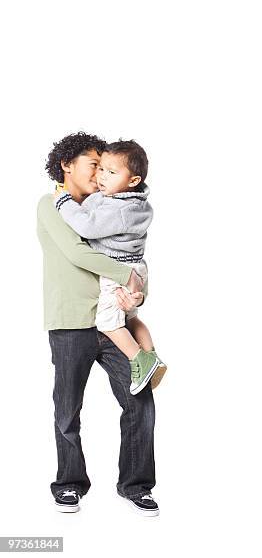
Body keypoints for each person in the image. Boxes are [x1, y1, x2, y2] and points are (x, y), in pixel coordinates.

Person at [37, 132, 160, 516]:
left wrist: (136, 293)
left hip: (113, 321)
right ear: (67, 166)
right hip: (71, 320)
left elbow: (131, 257)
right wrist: (130, 279)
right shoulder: (50, 204)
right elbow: (77, 252)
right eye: (94, 164)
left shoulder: (108, 205)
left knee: (139, 401)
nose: (99, 172)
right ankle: (70, 484)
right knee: (67, 408)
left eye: (105, 166)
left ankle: (136, 485)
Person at [53, 139, 166, 395]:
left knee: (108, 323)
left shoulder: (120, 208)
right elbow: (93, 208)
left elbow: (87, 226)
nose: (101, 176)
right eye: (100, 168)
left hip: (117, 271)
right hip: (134, 268)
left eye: (110, 172)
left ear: (133, 180)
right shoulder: (127, 200)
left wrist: (63, 202)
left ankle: (141, 360)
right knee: (131, 318)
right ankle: (153, 356)